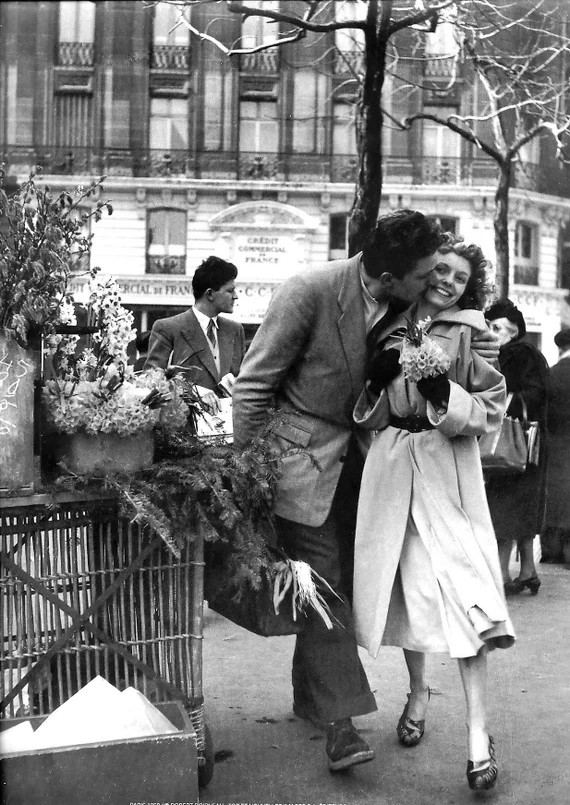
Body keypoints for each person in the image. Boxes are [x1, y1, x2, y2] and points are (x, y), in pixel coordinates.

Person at [232, 210, 499, 773]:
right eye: (426, 272)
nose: (434, 280)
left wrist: (474, 352)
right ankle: (342, 726)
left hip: (372, 468)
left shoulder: (410, 308)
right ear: (391, 276)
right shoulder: (308, 291)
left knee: (340, 587)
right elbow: (253, 387)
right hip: (300, 465)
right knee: (324, 584)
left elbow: (455, 352)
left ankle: (315, 698)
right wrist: (251, 476)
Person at [352, 234, 515, 791]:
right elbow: (368, 419)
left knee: (468, 601)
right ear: (424, 270)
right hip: (395, 470)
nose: (447, 283)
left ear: (473, 289)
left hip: (447, 474)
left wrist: (445, 393)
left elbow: (493, 408)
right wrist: (374, 386)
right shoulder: (386, 325)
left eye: (460, 278)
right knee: (411, 595)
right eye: (441, 271)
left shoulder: (474, 334)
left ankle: (477, 736)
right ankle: (419, 691)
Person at [484, 299, 550, 594]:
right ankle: (527, 570)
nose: (491, 332)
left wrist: (503, 399)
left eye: (496, 327)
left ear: (513, 331)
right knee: (520, 508)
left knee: (505, 509)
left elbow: (534, 393)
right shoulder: (522, 353)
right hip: (525, 445)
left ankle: (501, 576)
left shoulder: (518, 354)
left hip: (514, 443)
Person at [144, 256, 246, 408]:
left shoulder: (235, 330)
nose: (235, 296)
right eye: (230, 291)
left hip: (228, 427)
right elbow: (151, 382)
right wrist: (193, 392)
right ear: (210, 294)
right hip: (184, 427)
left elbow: (242, 378)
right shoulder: (167, 328)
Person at [541, 328, 570, 564]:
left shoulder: (551, 374)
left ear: (560, 348)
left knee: (556, 496)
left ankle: (552, 552)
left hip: (556, 442)